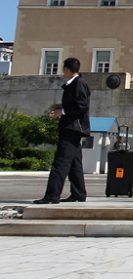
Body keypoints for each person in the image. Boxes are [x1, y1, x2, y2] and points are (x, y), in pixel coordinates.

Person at [34, 58, 91, 204]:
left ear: (67, 69)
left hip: (73, 128)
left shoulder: (79, 83)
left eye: (63, 68)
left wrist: (63, 111)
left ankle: (52, 195)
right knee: (74, 163)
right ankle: (79, 193)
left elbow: (81, 106)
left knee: (61, 162)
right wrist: (60, 108)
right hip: (72, 127)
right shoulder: (73, 84)